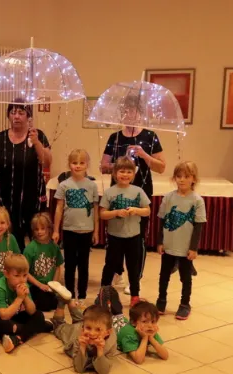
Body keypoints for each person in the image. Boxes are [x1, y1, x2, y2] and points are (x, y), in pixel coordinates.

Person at [100, 99, 166, 295]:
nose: (130, 115)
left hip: (141, 192)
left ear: (141, 114)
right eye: (126, 111)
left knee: (138, 239)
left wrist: (144, 155)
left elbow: (161, 167)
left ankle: (135, 278)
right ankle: (117, 271)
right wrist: (122, 165)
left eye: (134, 111)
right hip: (117, 192)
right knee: (115, 235)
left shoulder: (150, 136)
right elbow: (103, 166)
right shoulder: (115, 137)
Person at [0, 100, 52, 250]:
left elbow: (46, 162)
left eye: (21, 113)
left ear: (28, 116)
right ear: (8, 116)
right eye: (13, 112)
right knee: (12, 237)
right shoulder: (0, 138)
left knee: (37, 233)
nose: (16, 116)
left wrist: (36, 143)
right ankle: (16, 263)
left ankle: (36, 263)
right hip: (7, 196)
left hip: (33, 196)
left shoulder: (37, 135)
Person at [157, 161, 206, 320]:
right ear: (174, 178)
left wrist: (193, 248)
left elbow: (198, 226)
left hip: (185, 248)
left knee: (185, 277)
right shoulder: (168, 198)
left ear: (194, 179)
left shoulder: (197, 200)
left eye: (186, 176)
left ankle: (185, 304)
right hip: (169, 245)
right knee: (164, 275)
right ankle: (161, 300)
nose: (182, 179)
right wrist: (160, 241)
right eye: (178, 176)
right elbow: (162, 220)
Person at [100, 157, 151, 304]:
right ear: (115, 173)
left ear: (133, 174)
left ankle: (135, 296)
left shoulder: (138, 191)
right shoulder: (110, 192)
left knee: (133, 267)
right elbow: (102, 214)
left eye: (129, 172)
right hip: (114, 236)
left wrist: (136, 210)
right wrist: (116, 212)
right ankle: (104, 294)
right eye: (122, 171)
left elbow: (147, 210)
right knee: (110, 265)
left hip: (133, 237)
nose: (125, 175)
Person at [52, 149, 99, 302]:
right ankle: (70, 294)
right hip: (69, 230)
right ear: (69, 165)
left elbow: (95, 210)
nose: (78, 166)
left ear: (87, 165)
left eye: (81, 163)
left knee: (83, 264)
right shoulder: (64, 185)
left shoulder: (92, 186)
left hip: (86, 231)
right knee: (70, 264)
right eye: (74, 163)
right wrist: (56, 230)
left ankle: (83, 295)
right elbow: (59, 208)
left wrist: (96, 231)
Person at [0, 254, 49, 352]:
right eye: (17, 276)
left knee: (39, 315)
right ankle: (35, 327)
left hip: (12, 316)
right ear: (6, 274)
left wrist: (25, 297)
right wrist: (19, 298)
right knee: (6, 325)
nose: (22, 279)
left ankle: (18, 338)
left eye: (25, 275)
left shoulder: (24, 285)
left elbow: (32, 311)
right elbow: (3, 316)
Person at [51, 299, 116, 374]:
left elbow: (103, 371)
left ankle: (71, 304)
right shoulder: (79, 337)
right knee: (58, 327)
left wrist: (100, 350)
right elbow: (79, 368)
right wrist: (82, 346)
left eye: (98, 330)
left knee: (82, 320)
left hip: (84, 324)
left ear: (108, 332)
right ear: (83, 328)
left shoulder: (111, 343)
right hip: (76, 331)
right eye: (88, 328)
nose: (92, 333)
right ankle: (62, 301)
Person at [23, 213, 64, 311]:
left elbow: (58, 267)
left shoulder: (54, 247)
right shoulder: (30, 248)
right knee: (45, 305)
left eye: (42, 229)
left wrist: (54, 285)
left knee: (56, 303)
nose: (39, 232)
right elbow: (25, 272)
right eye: (36, 229)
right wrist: (40, 285)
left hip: (49, 286)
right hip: (35, 285)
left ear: (49, 229)